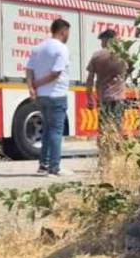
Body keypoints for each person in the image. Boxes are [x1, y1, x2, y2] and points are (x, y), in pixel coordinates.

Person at [25, 18, 73, 176]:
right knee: (56, 132)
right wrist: (37, 83)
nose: (68, 35)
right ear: (63, 31)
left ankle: (43, 165)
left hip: (42, 96)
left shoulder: (38, 48)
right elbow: (56, 73)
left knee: (46, 131)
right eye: (68, 32)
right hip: (57, 95)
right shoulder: (62, 49)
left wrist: (31, 87)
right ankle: (54, 167)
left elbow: (29, 69)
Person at [84, 28, 131, 151]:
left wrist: (89, 97)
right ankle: (116, 154)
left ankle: (104, 156)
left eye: (102, 40)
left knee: (103, 128)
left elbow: (89, 79)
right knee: (117, 127)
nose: (101, 43)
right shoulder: (123, 55)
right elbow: (129, 70)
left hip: (103, 98)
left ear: (107, 40)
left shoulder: (97, 56)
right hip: (119, 98)